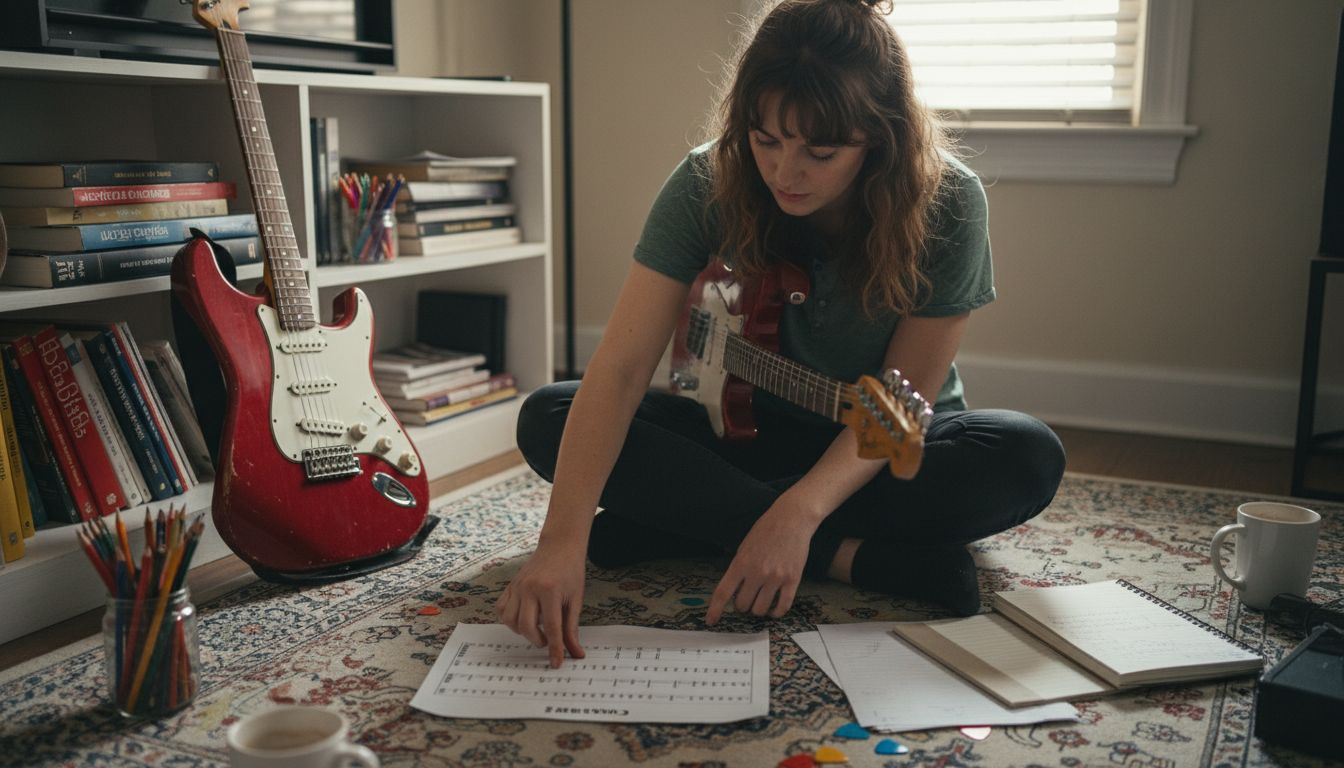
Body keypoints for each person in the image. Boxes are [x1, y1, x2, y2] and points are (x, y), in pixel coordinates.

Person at [496, 0, 1066, 668]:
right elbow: (620, 370)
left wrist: (798, 514)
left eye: (820, 152)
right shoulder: (706, 180)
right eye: (766, 141)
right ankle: (852, 558)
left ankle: (700, 525)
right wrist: (559, 545)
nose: (784, 173)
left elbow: (896, 407)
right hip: (748, 436)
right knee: (549, 416)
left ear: (879, 138)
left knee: (1026, 456)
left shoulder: (948, 202)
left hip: (884, 452)